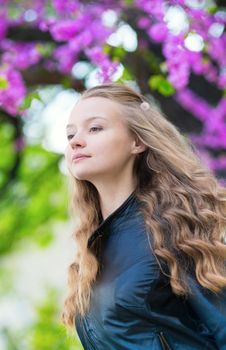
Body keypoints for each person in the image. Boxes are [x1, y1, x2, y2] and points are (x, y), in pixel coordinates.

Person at [62, 82, 226, 350]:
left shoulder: (174, 229)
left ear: (137, 141)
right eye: (70, 135)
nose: (76, 141)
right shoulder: (90, 254)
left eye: (95, 128)